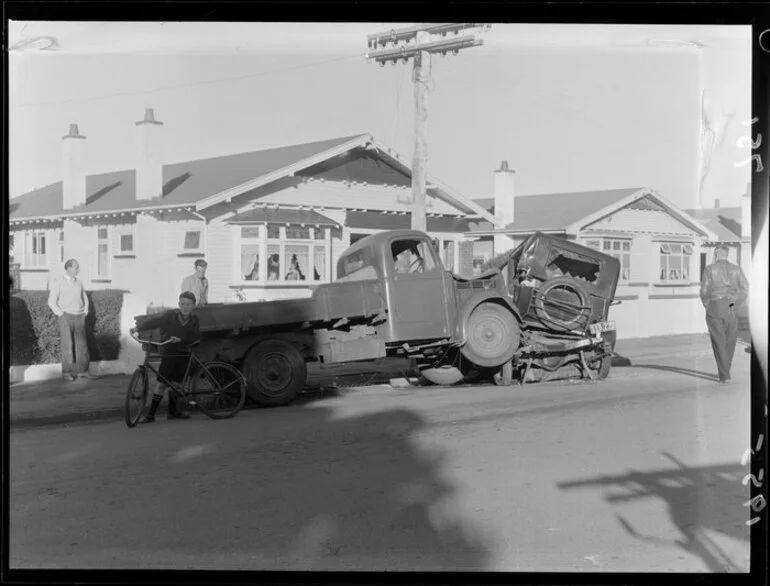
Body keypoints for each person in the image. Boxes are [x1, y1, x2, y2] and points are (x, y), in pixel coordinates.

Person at [131, 291, 201, 422]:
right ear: (179, 304)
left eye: (188, 304)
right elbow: (156, 321)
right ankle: (151, 415)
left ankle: (173, 412)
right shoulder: (171, 316)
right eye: (183, 304)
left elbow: (195, 336)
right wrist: (138, 328)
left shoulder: (194, 320)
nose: (185, 307)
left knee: (177, 384)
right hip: (169, 352)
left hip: (184, 353)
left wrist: (181, 339)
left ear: (193, 306)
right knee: (161, 384)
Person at [700, 244, 749, 383]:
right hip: (731, 308)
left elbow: (704, 291)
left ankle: (724, 374)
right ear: (727, 254)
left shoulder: (709, 269)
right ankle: (725, 370)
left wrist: (707, 305)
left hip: (715, 308)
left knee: (718, 341)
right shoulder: (736, 269)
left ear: (716, 254)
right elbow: (745, 288)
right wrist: (734, 303)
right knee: (730, 341)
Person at [48, 259, 98, 381]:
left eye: (78, 267)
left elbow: (84, 297)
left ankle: (83, 371)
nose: (78, 270)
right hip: (66, 317)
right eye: (76, 267)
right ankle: (66, 373)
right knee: (67, 345)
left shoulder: (79, 282)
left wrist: (85, 310)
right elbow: (51, 301)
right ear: (69, 268)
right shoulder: (58, 282)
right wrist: (61, 314)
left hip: (79, 316)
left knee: (82, 346)